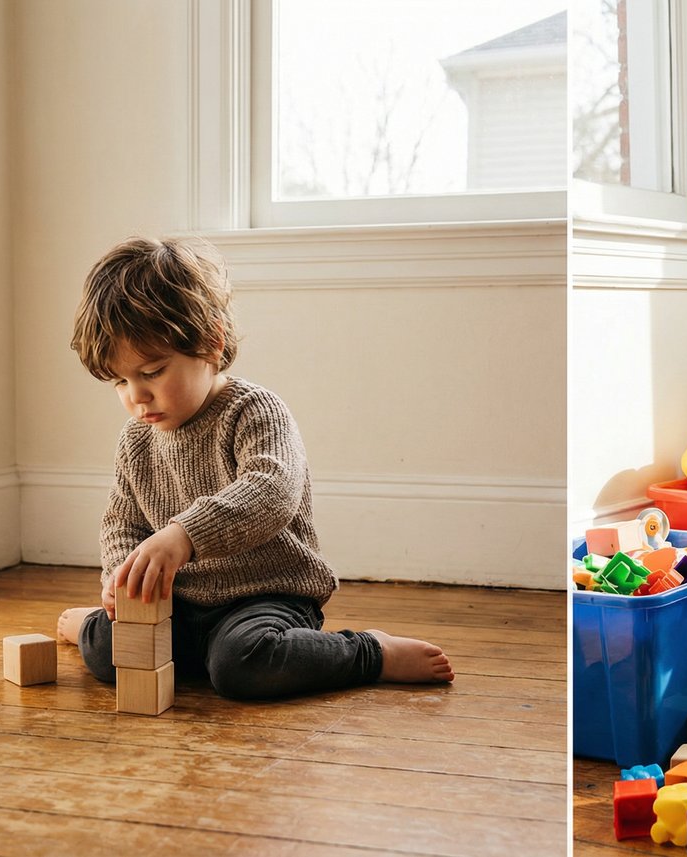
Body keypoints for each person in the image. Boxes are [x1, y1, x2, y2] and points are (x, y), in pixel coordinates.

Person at [55, 237, 453, 698]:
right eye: (120, 381)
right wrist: (120, 578)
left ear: (210, 342)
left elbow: (271, 492)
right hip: (181, 602)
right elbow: (122, 523)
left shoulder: (254, 411)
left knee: (243, 663)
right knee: (107, 652)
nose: (136, 397)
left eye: (152, 372)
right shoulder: (136, 439)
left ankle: (369, 652)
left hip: (264, 595)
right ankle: (93, 623)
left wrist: (184, 535)